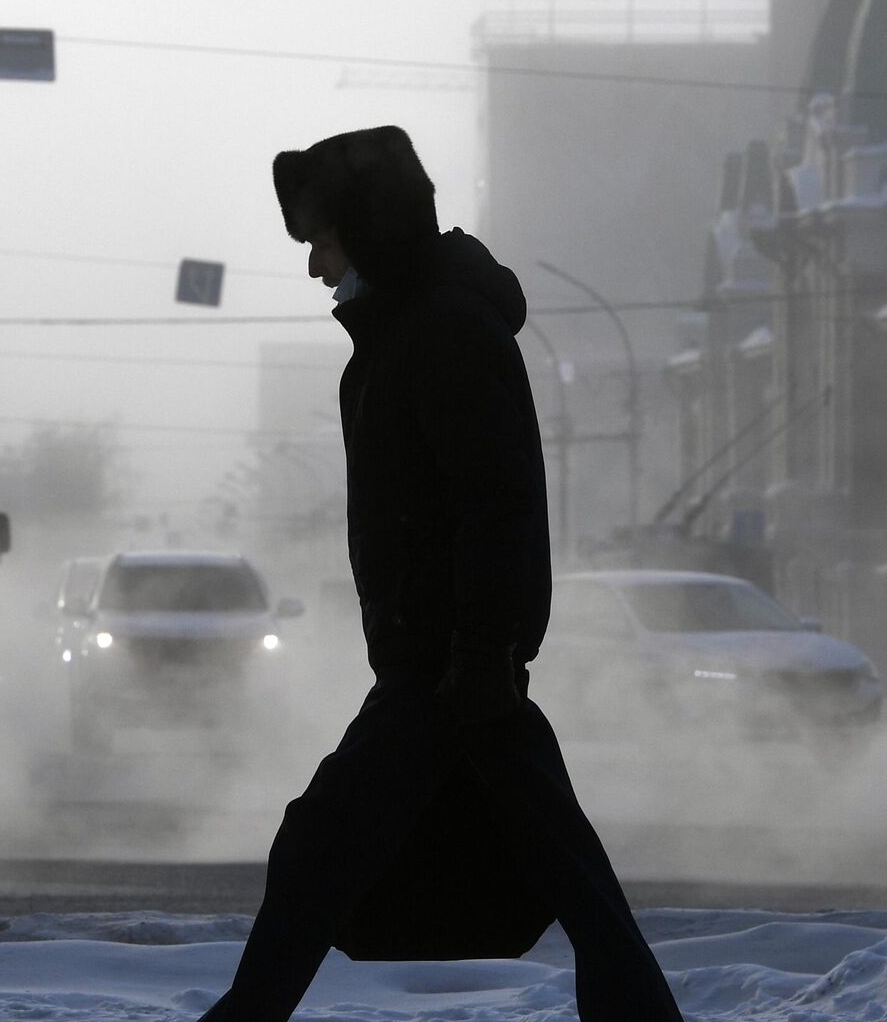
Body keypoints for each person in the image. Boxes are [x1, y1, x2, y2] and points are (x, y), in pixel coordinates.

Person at [195, 126, 683, 1020]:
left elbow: (493, 502)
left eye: (323, 242)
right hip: (449, 664)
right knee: (568, 876)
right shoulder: (413, 331)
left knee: (319, 855)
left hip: (448, 669)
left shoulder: (443, 333)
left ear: (370, 230)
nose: (316, 270)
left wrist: (482, 649)